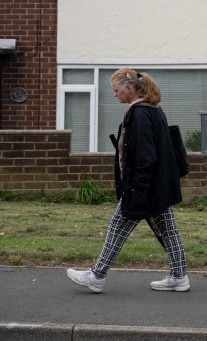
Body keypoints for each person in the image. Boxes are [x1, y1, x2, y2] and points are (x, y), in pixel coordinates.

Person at [67, 68, 189, 293]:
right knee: (169, 231)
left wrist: (137, 191)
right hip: (157, 186)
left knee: (117, 226)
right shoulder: (152, 109)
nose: (114, 94)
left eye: (116, 90)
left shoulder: (140, 114)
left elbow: (145, 157)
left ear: (129, 88)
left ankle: (97, 275)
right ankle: (179, 276)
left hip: (144, 187)